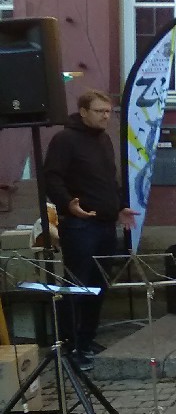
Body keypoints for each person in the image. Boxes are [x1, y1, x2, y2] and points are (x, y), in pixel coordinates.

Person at [43, 90, 138, 369]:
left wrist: (119, 207)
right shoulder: (65, 139)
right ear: (83, 112)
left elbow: (109, 180)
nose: (105, 117)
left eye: (108, 112)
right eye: (99, 111)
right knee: (77, 285)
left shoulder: (104, 140)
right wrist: (67, 204)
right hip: (80, 225)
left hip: (105, 225)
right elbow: (51, 178)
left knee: (98, 286)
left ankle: (86, 340)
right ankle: (70, 345)